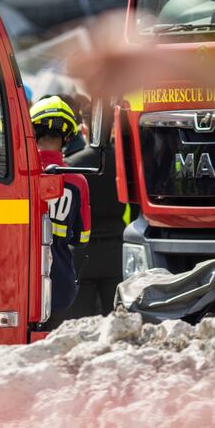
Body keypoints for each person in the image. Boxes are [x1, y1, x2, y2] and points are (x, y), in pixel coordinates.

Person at [30, 95, 91, 330]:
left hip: (20, 283)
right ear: (67, 138)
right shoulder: (77, 180)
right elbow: (82, 238)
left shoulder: (18, 175)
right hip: (60, 284)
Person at [65, 95, 129, 318]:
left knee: (81, 323)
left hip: (82, 252)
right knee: (117, 322)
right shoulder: (125, 163)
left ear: (84, 128)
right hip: (117, 248)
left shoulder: (72, 164)